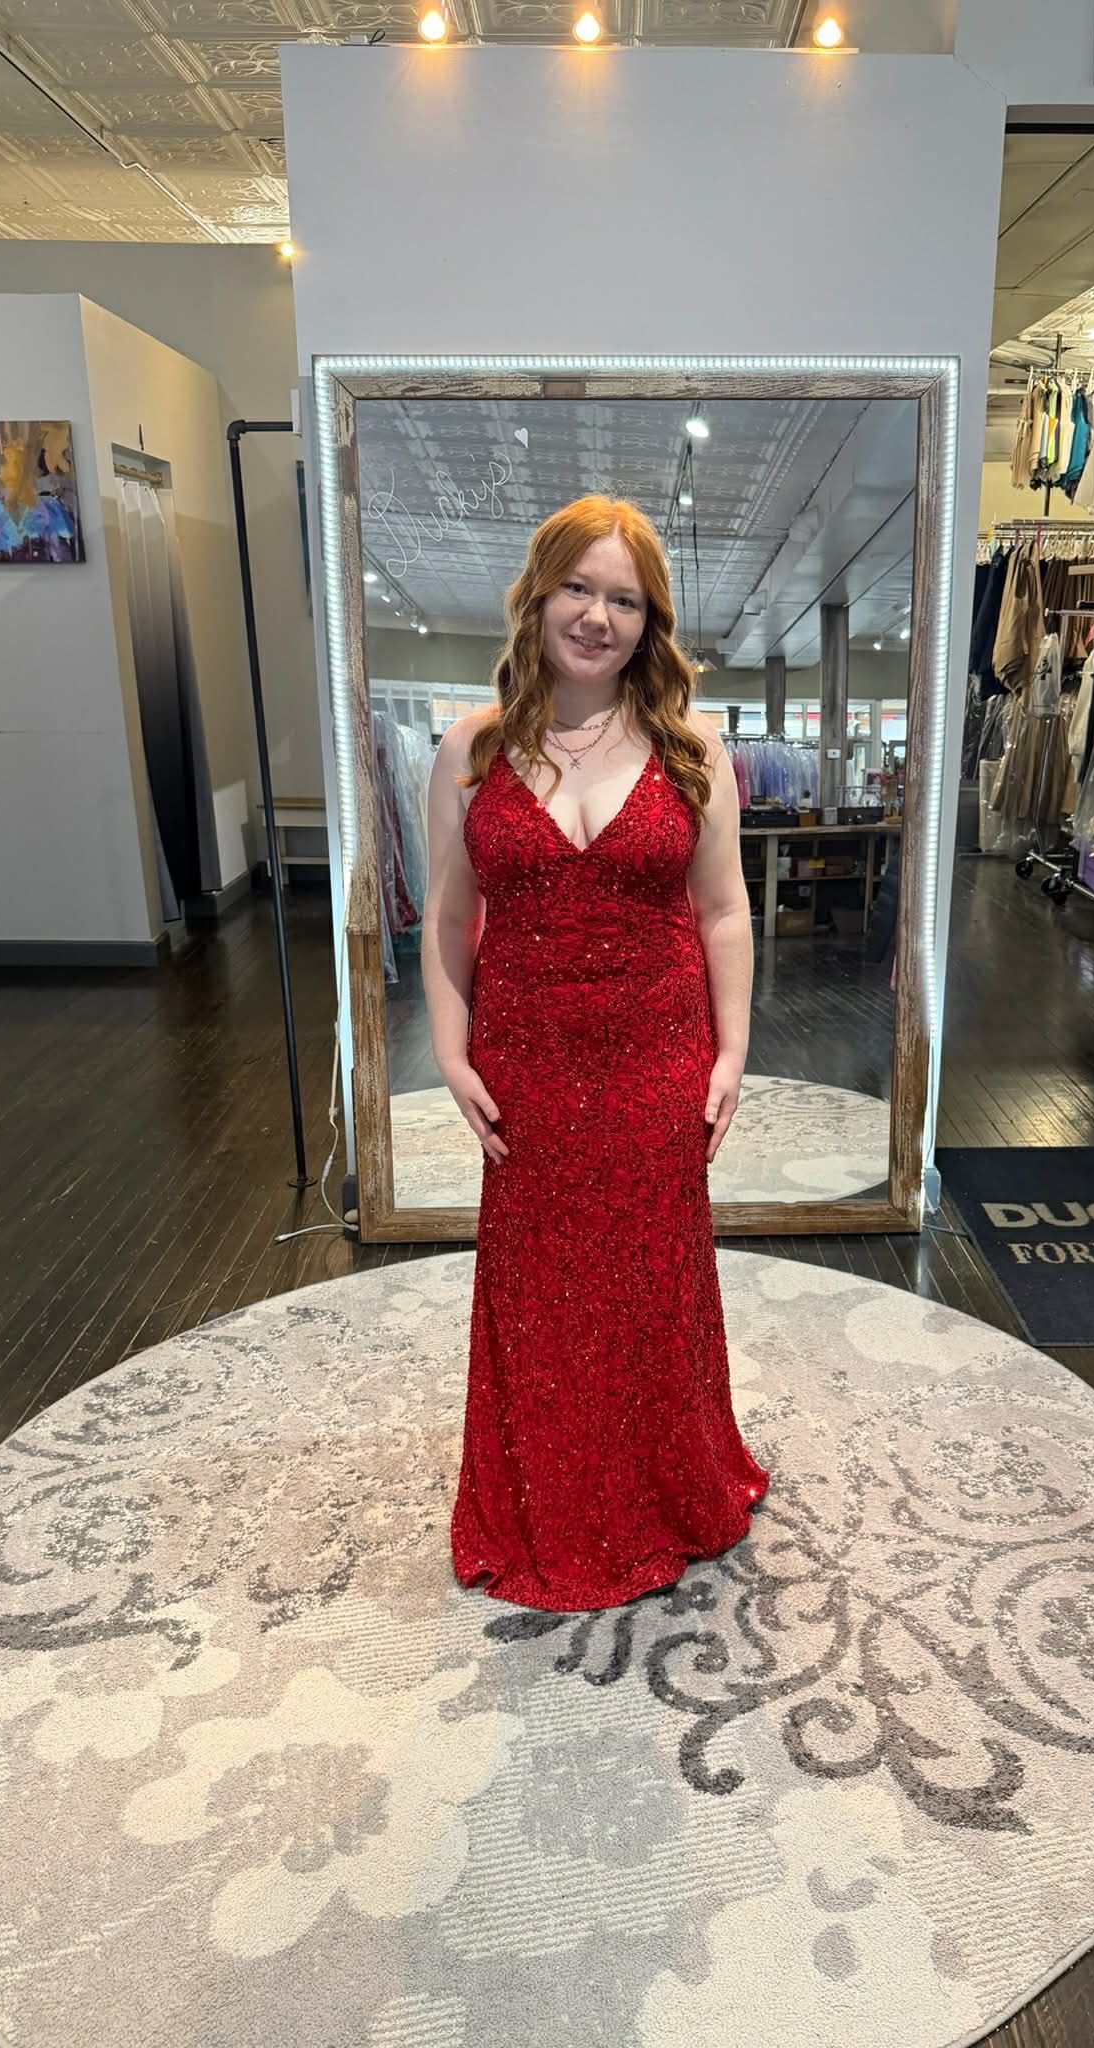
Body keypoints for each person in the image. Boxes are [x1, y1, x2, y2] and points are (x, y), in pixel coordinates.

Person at [422, 495, 769, 1613]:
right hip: (526, 1063)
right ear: (539, 593)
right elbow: (443, 913)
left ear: (649, 621)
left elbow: (724, 911)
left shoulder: (692, 748)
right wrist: (448, 1044)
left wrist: (732, 1049)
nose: (598, 616)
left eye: (625, 599)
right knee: (538, 1295)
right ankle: (546, 1504)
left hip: (655, 1058)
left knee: (650, 1285)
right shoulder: (470, 749)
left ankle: (669, 1485)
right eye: (581, 587)